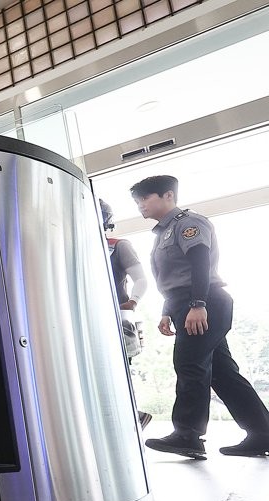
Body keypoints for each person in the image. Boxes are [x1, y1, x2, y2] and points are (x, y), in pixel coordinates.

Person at [131, 175, 269, 459]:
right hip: (188, 303)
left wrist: (197, 304)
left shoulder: (188, 224)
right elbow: (172, 278)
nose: (140, 205)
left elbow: (199, 264)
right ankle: (262, 433)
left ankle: (187, 434)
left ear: (168, 195)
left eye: (145, 198)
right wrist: (168, 311)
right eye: (137, 201)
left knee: (190, 364)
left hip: (204, 302)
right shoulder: (163, 233)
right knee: (222, 373)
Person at [100, 199, 153, 430]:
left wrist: (132, 302)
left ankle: (133, 417)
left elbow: (141, 279)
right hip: (86, 320)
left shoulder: (118, 246)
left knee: (117, 372)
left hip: (115, 320)